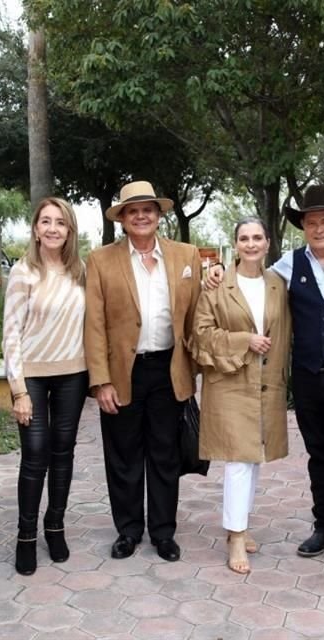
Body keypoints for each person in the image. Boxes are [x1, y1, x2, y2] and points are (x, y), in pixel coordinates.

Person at [206, 184, 324, 573]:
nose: (319, 228)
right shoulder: (287, 267)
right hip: (307, 378)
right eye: (311, 222)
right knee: (319, 456)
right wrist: (219, 271)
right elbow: (250, 280)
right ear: (302, 227)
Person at [84, 180, 202, 563]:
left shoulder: (186, 256)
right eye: (132, 211)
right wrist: (100, 380)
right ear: (122, 218)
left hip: (169, 368)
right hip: (122, 372)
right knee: (124, 455)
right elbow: (94, 324)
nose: (141, 216)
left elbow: (200, 311)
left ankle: (163, 532)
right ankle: (129, 530)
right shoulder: (101, 260)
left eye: (147, 209)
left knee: (165, 455)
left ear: (158, 214)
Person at [191, 217, 291, 574]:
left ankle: (241, 523)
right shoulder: (217, 285)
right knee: (236, 460)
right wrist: (243, 340)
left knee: (253, 458)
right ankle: (235, 536)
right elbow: (200, 335)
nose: (251, 244)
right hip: (230, 381)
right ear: (235, 245)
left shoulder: (277, 284)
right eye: (244, 238)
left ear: (267, 243)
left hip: (265, 383)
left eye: (257, 238)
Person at [2, 197, 89, 575]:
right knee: (35, 451)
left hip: (73, 373)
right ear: (35, 228)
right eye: (46, 221)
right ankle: (25, 536)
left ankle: (55, 526)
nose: (53, 228)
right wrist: (18, 389)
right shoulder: (23, 272)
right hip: (33, 376)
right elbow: (10, 335)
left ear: (70, 230)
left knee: (63, 452)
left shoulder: (80, 271)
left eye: (61, 223)